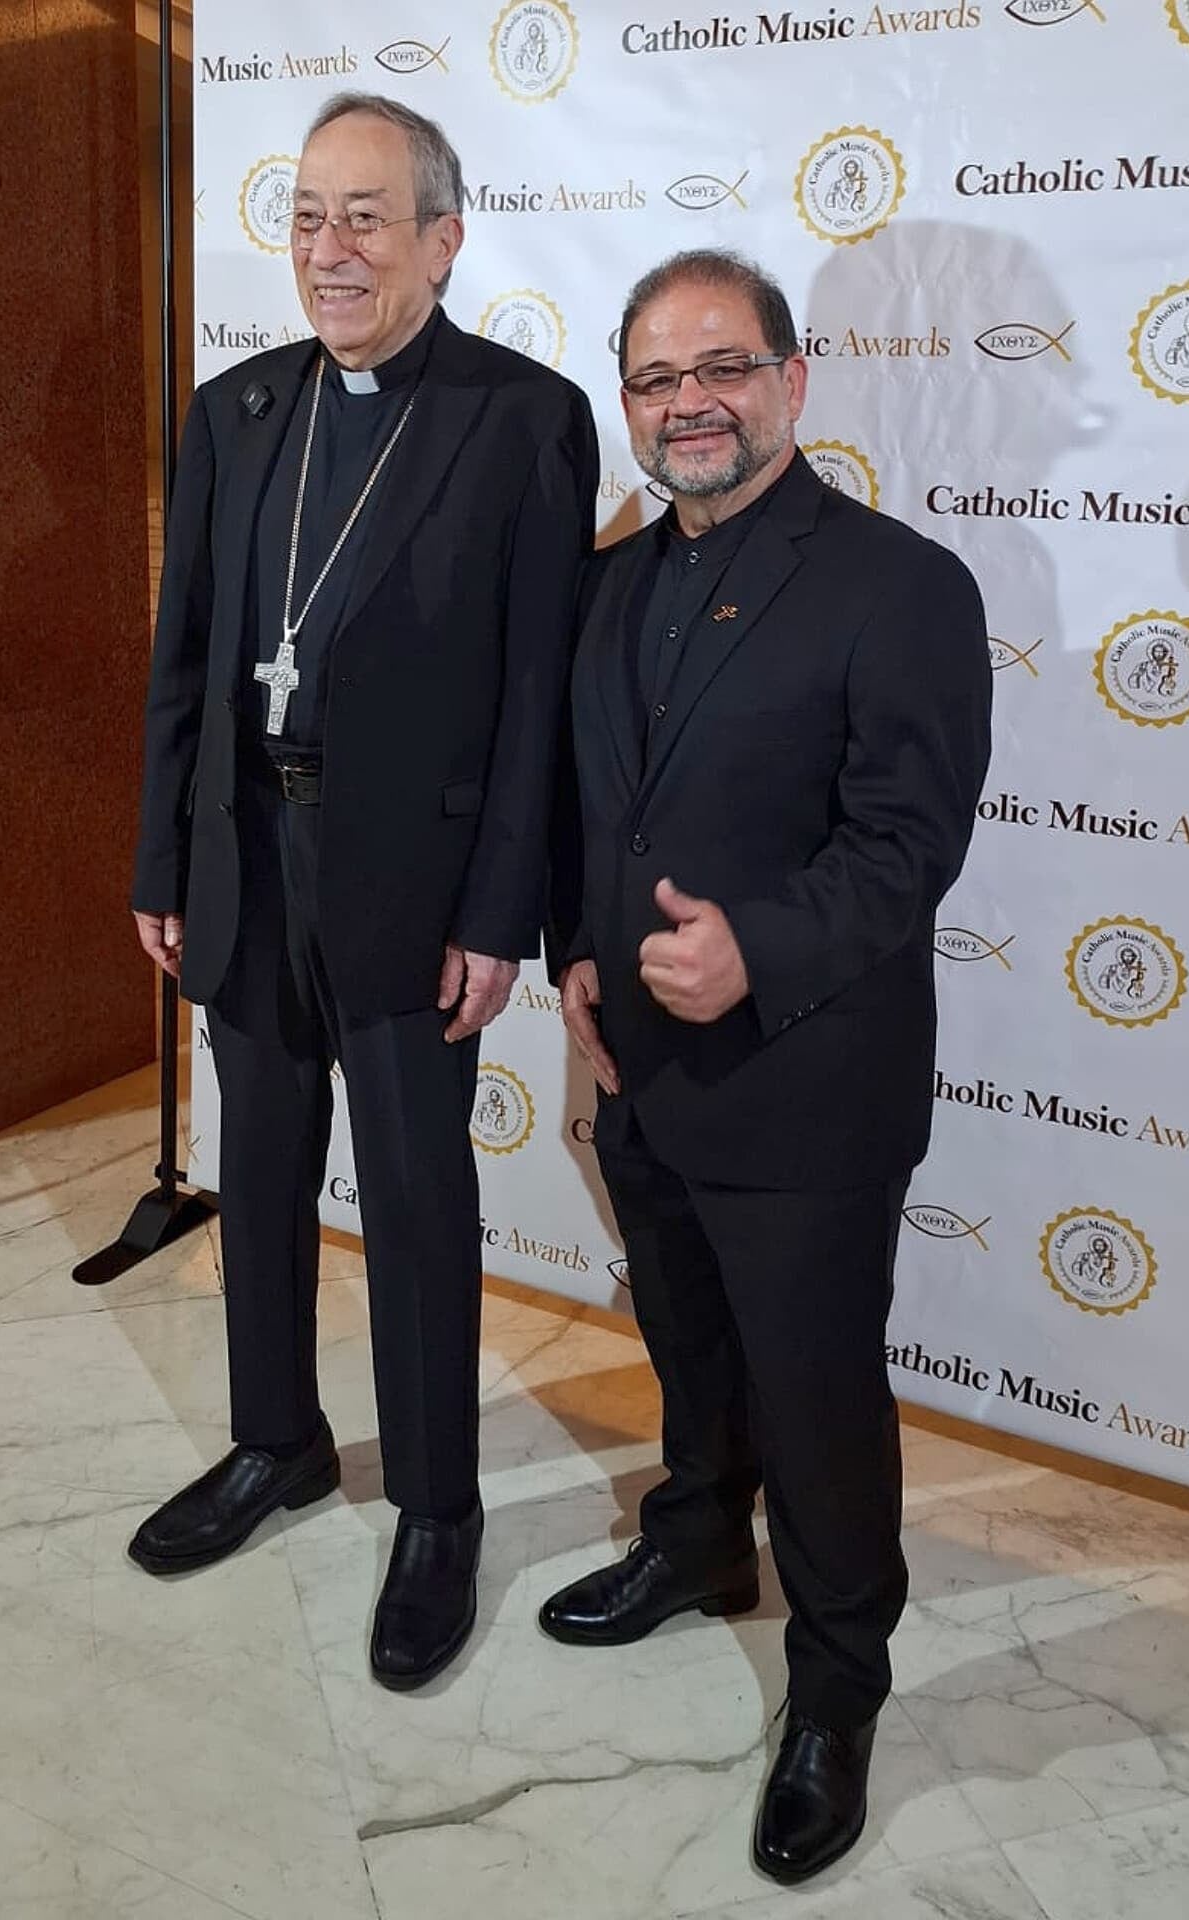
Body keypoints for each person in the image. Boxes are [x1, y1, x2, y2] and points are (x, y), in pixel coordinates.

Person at [128, 92, 597, 1692]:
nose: (330, 254)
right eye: (309, 217)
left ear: (444, 240)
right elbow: (184, 657)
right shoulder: (238, 409)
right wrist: (160, 861)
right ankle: (277, 1444)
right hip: (244, 858)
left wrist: (499, 914)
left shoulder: (522, 418)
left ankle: (441, 1513)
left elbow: (536, 697)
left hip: (413, 883)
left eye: (367, 219)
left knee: (413, 1201)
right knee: (257, 1174)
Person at [541, 250, 990, 1881]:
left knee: (814, 1392)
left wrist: (759, 948)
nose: (689, 405)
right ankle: (696, 1549)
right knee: (688, 1344)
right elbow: (593, 810)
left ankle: (838, 1681)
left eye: (721, 368)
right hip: (641, 1066)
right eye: (656, 382)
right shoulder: (607, 580)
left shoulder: (901, 584)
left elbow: (910, 842)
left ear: (794, 381)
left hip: (809, 1080)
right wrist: (577, 958)